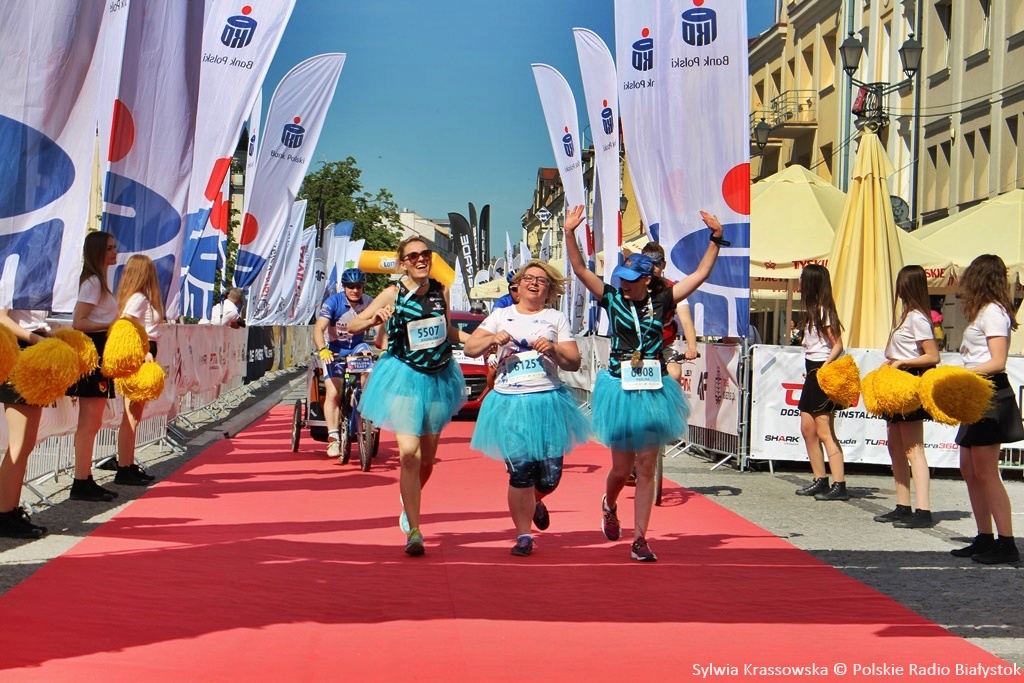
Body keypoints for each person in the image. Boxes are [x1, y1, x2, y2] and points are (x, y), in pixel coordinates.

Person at [565, 204, 724, 562]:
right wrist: (570, 233)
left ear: (647, 280)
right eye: (622, 278)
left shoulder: (664, 299)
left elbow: (699, 275)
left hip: (653, 389)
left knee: (647, 465)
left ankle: (640, 540)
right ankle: (608, 503)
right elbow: (578, 269)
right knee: (622, 470)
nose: (625, 284)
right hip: (620, 388)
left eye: (631, 280)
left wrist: (716, 239)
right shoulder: (612, 298)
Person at [348, 237, 468, 556]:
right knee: (409, 455)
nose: (420, 260)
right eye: (412, 256)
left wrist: (479, 339)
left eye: (425, 254)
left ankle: (407, 500)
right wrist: (374, 319)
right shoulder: (393, 292)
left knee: (427, 460)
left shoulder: (442, 289)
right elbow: (352, 324)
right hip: (403, 376)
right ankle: (415, 531)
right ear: (402, 263)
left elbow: (449, 330)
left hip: (439, 376)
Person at [464, 260, 589, 556]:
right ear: (517, 287)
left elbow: (573, 361)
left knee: (549, 477)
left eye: (541, 280)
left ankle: (535, 500)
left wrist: (554, 348)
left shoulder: (555, 317)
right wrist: (492, 339)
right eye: (528, 278)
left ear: (549, 290)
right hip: (509, 402)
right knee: (520, 471)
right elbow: (471, 348)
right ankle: (523, 535)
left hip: (548, 401)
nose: (534, 283)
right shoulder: (501, 315)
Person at [951, 254, 1022, 564]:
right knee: (969, 468)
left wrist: (963, 375)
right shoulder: (984, 311)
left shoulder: (993, 312)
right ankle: (984, 537)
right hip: (977, 394)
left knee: (985, 471)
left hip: (990, 393)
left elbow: (997, 361)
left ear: (979, 278)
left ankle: (1007, 543)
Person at [874, 265, 939, 528]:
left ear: (907, 286)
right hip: (897, 384)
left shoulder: (918, 318)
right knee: (896, 447)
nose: (897, 289)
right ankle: (903, 504)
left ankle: (923, 510)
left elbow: (933, 356)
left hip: (909, 384)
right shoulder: (907, 316)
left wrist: (902, 363)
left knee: (914, 450)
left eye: (900, 284)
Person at [67, 231, 120, 502]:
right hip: (93, 350)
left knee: (93, 420)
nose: (115, 252)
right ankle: (80, 481)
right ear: (98, 251)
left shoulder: (100, 281)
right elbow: (79, 321)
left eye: (115, 247)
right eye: (110, 248)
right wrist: (110, 326)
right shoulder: (93, 283)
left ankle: (84, 478)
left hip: (101, 349)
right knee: (89, 421)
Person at [793, 264, 849, 501]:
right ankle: (820, 479)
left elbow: (838, 344)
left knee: (825, 431)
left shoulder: (824, 310)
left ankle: (839, 483)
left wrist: (823, 369)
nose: (799, 283)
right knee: (807, 429)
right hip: (813, 370)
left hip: (821, 372)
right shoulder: (812, 310)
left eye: (802, 279)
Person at [313, 268, 377, 459]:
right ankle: (333, 439)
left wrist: (386, 345)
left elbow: (380, 328)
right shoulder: (334, 302)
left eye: (358, 286)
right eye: (350, 286)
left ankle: (362, 399)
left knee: (367, 355)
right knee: (333, 393)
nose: (355, 290)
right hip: (335, 349)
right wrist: (322, 349)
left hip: (357, 346)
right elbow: (319, 328)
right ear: (344, 287)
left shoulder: (369, 302)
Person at [113, 254, 163, 487]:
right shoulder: (139, 299)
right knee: (132, 414)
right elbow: (126, 323)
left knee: (134, 414)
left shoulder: (138, 298)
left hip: (144, 350)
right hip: (142, 352)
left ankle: (127, 463)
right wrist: (144, 352)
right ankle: (124, 467)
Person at [0, 309, 50, 538]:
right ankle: (4, 514)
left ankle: (10, 512)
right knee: (19, 444)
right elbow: (1, 317)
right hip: (21, 350)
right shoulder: (12, 274)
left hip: (35, 348)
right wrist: (36, 339)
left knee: (27, 443)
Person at [642, 243, 698, 382]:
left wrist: (692, 347)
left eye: (657, 264)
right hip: (637, 345)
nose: (653, 268)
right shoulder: (633, 286)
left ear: (664, 265)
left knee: (674, 374)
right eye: (648, 264)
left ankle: (672, 403)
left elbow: (687, 322)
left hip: (663, 345)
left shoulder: (673, 290)